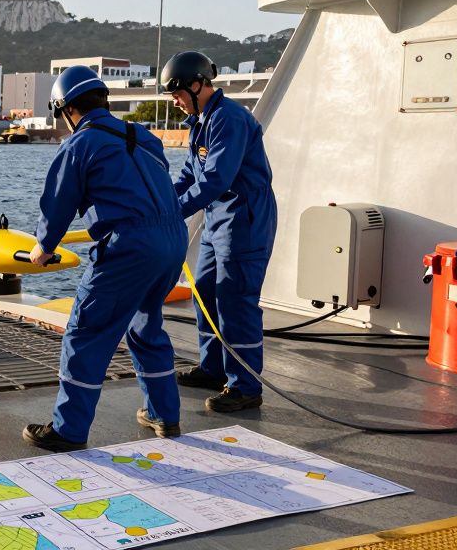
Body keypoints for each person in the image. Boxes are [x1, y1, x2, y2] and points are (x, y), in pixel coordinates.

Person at [22, 65, 189, 451]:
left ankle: (69, 430)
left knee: (86, 333)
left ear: (65, 109)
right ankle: (164, 414)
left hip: (130, 245)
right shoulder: (145, 137)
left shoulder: (80, 144)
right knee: (146, 327)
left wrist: (43, 249)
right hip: (173, 239)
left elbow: (58, 204)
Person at [162, 51, 276, 413]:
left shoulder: (229, 119)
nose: (176, 102)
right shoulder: (200, 121)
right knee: (206, 293)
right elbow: (189, 176)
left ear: (198, 85)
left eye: (178, 94)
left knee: (235, 300)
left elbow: (215, 178)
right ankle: (214, 368)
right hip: (217, 220)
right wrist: (161, 203)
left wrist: (174, 213)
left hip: (243, 221)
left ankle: (245, 385)